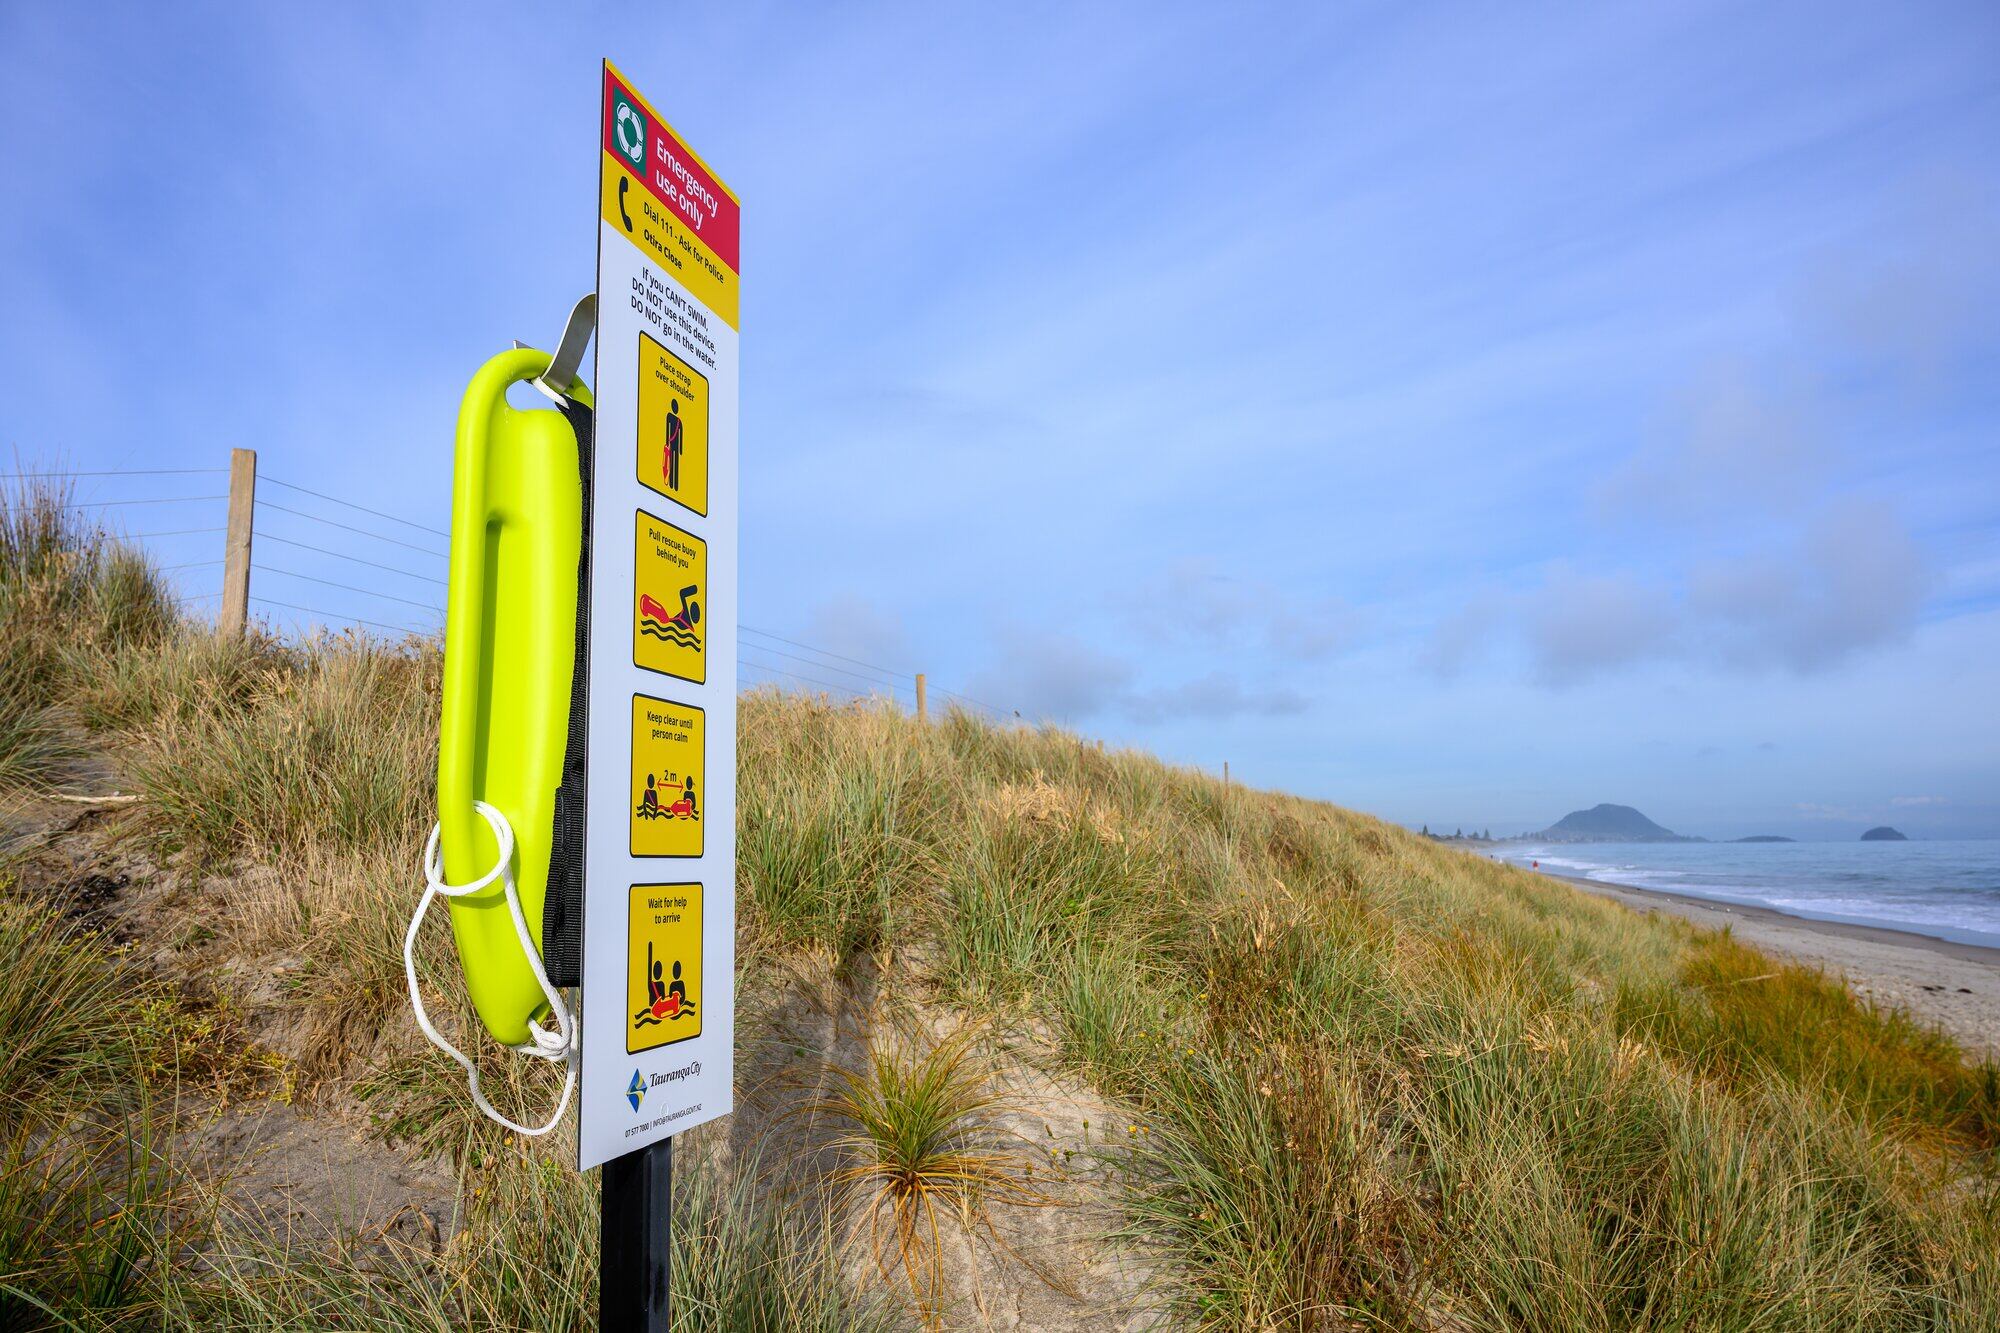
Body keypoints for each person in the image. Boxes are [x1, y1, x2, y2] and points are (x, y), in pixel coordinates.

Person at [664, 398, 684, 491]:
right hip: (674, 444)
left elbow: (679, 433)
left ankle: (674, 484)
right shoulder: (674, 418)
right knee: (673, 463)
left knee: (672, 462)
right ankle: (673, 484)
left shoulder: (674, 419)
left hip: (672, 443)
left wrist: (667, 443)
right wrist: (680, 449)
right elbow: (668, 429)